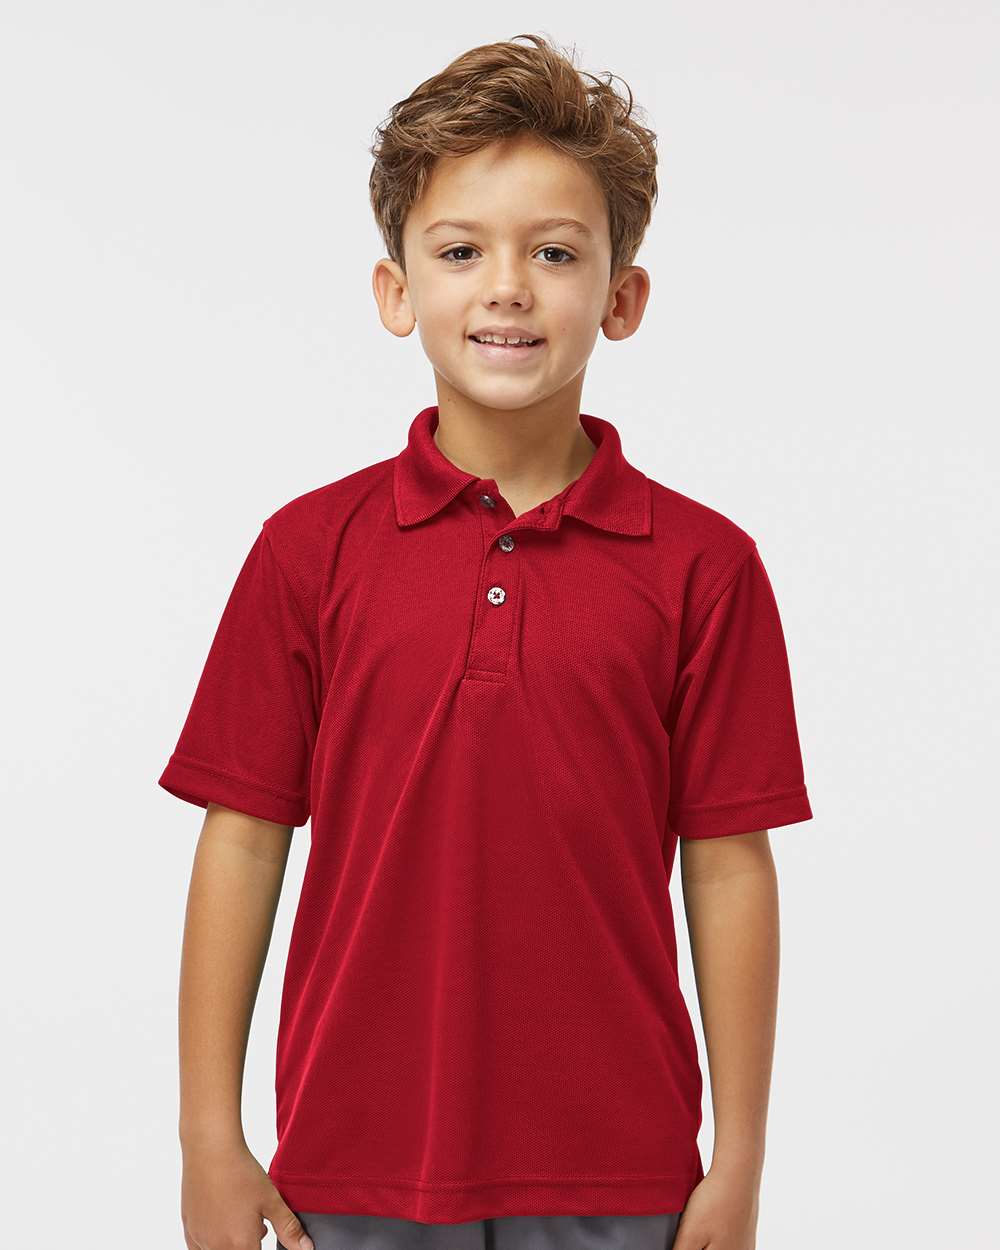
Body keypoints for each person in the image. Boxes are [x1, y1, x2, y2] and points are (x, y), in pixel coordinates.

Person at [160, 32, 813, 1250]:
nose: (506, 287)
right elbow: (242, 840)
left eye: (554, 252)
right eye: (460, 250)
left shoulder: (704, 567)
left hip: (623, 1170)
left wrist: (740, 1160)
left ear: (619, 298)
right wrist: (208, 1134)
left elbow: (728, 865)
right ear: (396, 289)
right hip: (354, 1156)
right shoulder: (307, 550)